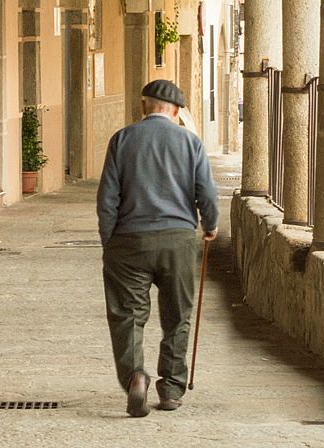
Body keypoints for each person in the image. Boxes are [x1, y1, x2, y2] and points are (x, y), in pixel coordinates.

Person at [97, 80, 219, 417]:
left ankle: (135, 377)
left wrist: (110, 241)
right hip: (177, 240)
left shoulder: (121, 140)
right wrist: (210, 225)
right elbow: (206, 192)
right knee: (177, 316)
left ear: (143, 106)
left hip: (129, 241)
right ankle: (171, 390)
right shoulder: (190, 143)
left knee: (127, 316)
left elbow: (107, 198)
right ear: (177, 111)